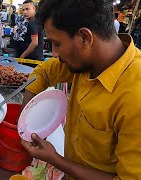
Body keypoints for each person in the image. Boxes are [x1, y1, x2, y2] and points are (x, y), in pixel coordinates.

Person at [21, 0, 141, 179]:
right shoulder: (84, 62)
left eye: (57, 44)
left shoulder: (134, 96)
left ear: (85, 37)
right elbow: (42, 73)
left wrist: (55, 159)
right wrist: (26, 125)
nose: (54, 53)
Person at [13, 0, 44, 65]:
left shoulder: (32, 22)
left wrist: (22, 56)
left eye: (27, 9)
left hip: (31, 60)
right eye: (23, 10)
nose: (25, 12)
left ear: (34, 8)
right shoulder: (37, 20)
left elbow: (34, 42)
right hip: (37, 58)